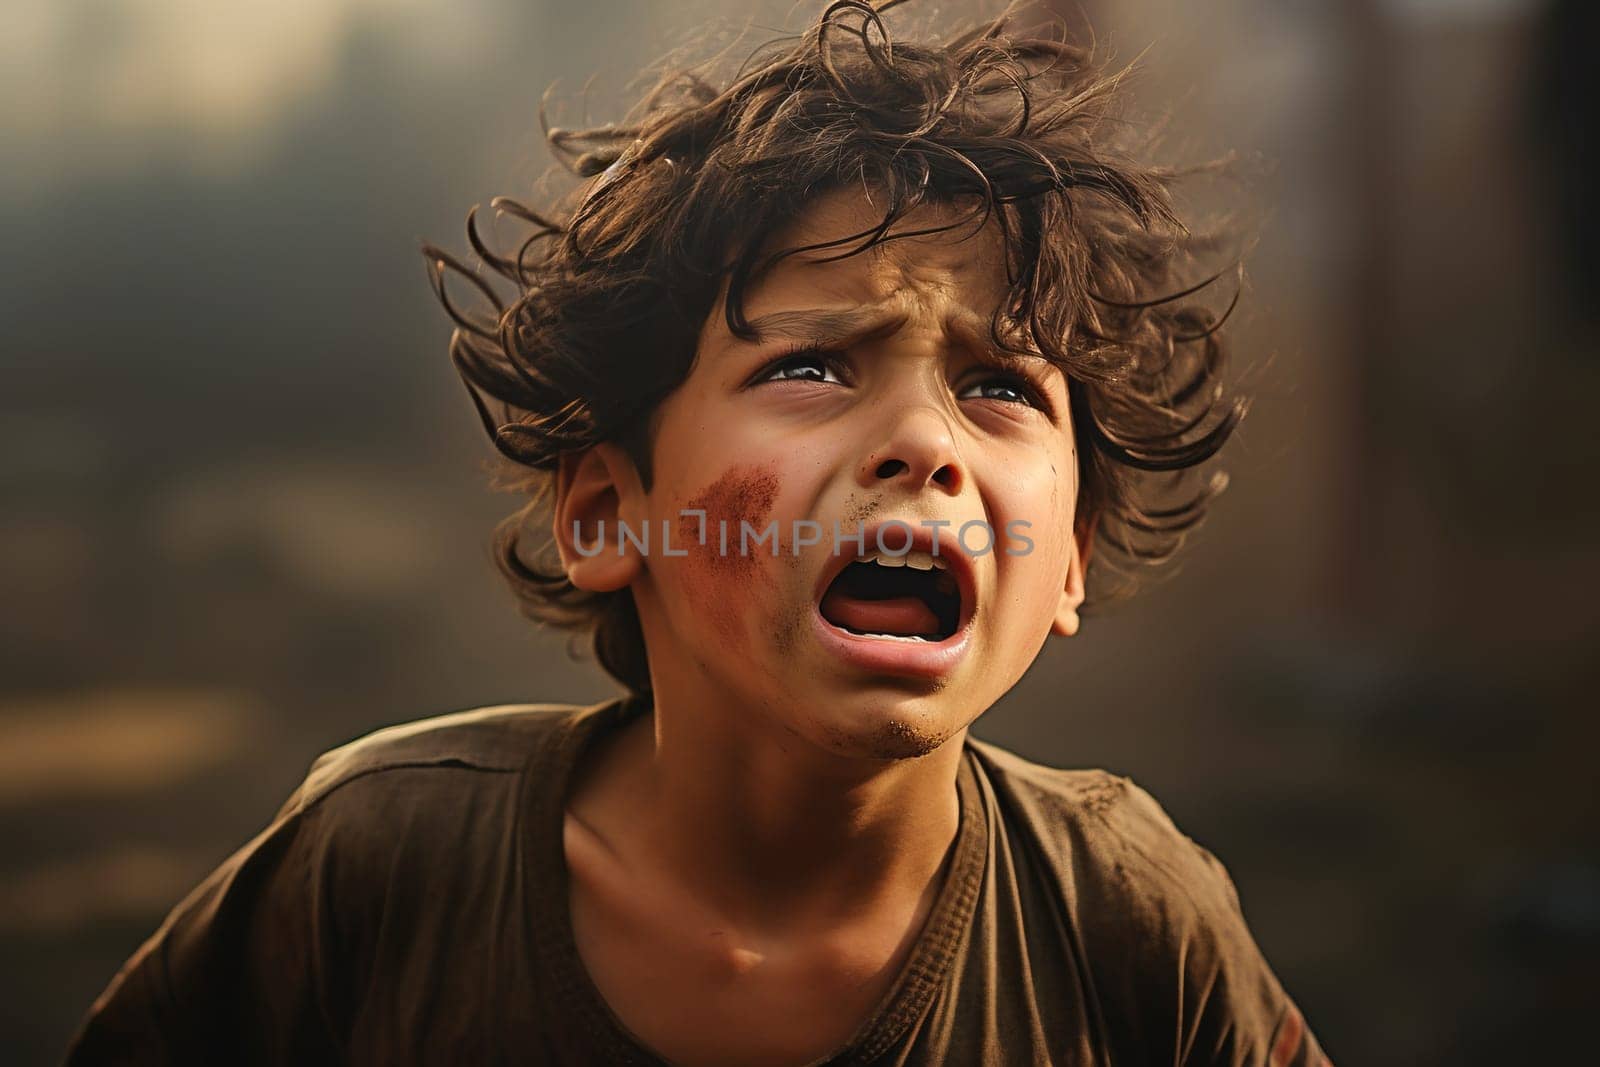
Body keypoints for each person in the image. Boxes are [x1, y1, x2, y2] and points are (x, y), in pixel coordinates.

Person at [65, 1, 1333, 1063]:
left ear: (1066, 557)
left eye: (999, 386)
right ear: (611, 511)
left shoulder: (1128, 925)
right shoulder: (378, 864)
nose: (926, 443)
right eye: (815, 365)